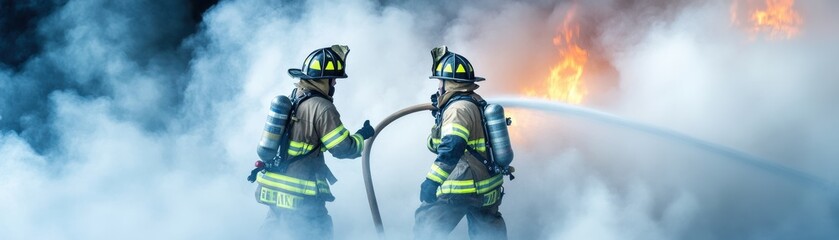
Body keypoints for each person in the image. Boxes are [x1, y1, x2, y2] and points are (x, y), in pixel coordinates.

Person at [255, 45, 374, 240]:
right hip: (301, 195)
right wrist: (361, 136)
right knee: (317, 232)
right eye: (333, 78)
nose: (334, 83)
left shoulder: (295, 98)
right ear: (323, 80)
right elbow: (343, 148)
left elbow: (306, 141)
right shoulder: (322, 108)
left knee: (273, 231)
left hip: (275, 190)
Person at [414, 46, 507, 240]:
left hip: (463, 186)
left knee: (427, 229)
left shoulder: (457, 109)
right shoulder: (474, 102)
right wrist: (439, 118)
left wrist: (432, 181)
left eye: (440, 81)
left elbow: (451, 147)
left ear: (449, 82)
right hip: (488, 188)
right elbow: (435, 144)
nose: (439, 86)